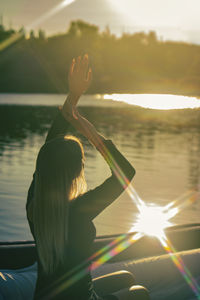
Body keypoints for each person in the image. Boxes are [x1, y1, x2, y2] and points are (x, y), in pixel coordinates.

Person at [26, 55, 150, 300]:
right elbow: (126, 173)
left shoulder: (35, 206)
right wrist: (87, 129)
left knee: (125, 278)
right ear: (74, 173)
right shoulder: (79, 209)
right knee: (140, 292)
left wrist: (73, 97)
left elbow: (50, 148)